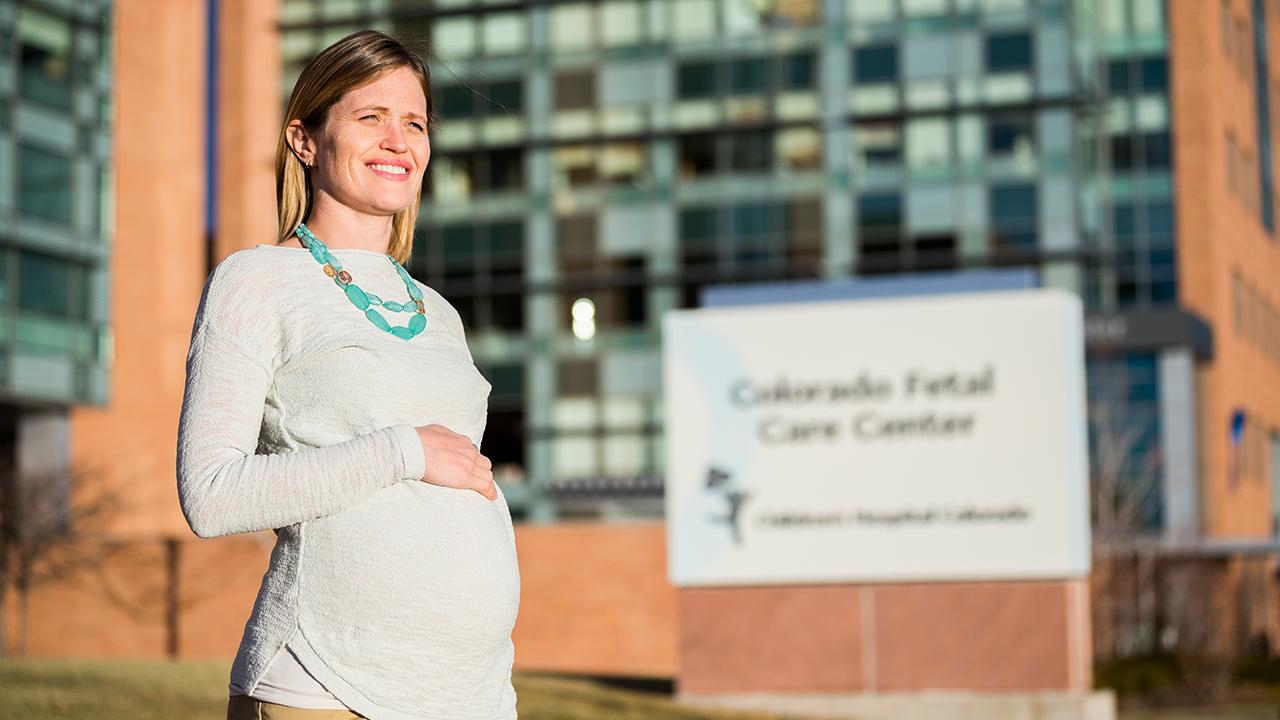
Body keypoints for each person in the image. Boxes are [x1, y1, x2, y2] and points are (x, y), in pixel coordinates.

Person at [176, 30, 520, 720]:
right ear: (304, 140)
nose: (399, 140)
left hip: (472, 693)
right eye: (370, 117)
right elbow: (210, 495)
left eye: (414, 123)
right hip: (328, 686)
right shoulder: (257, 281)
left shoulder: (441, 314)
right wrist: (403, 450)